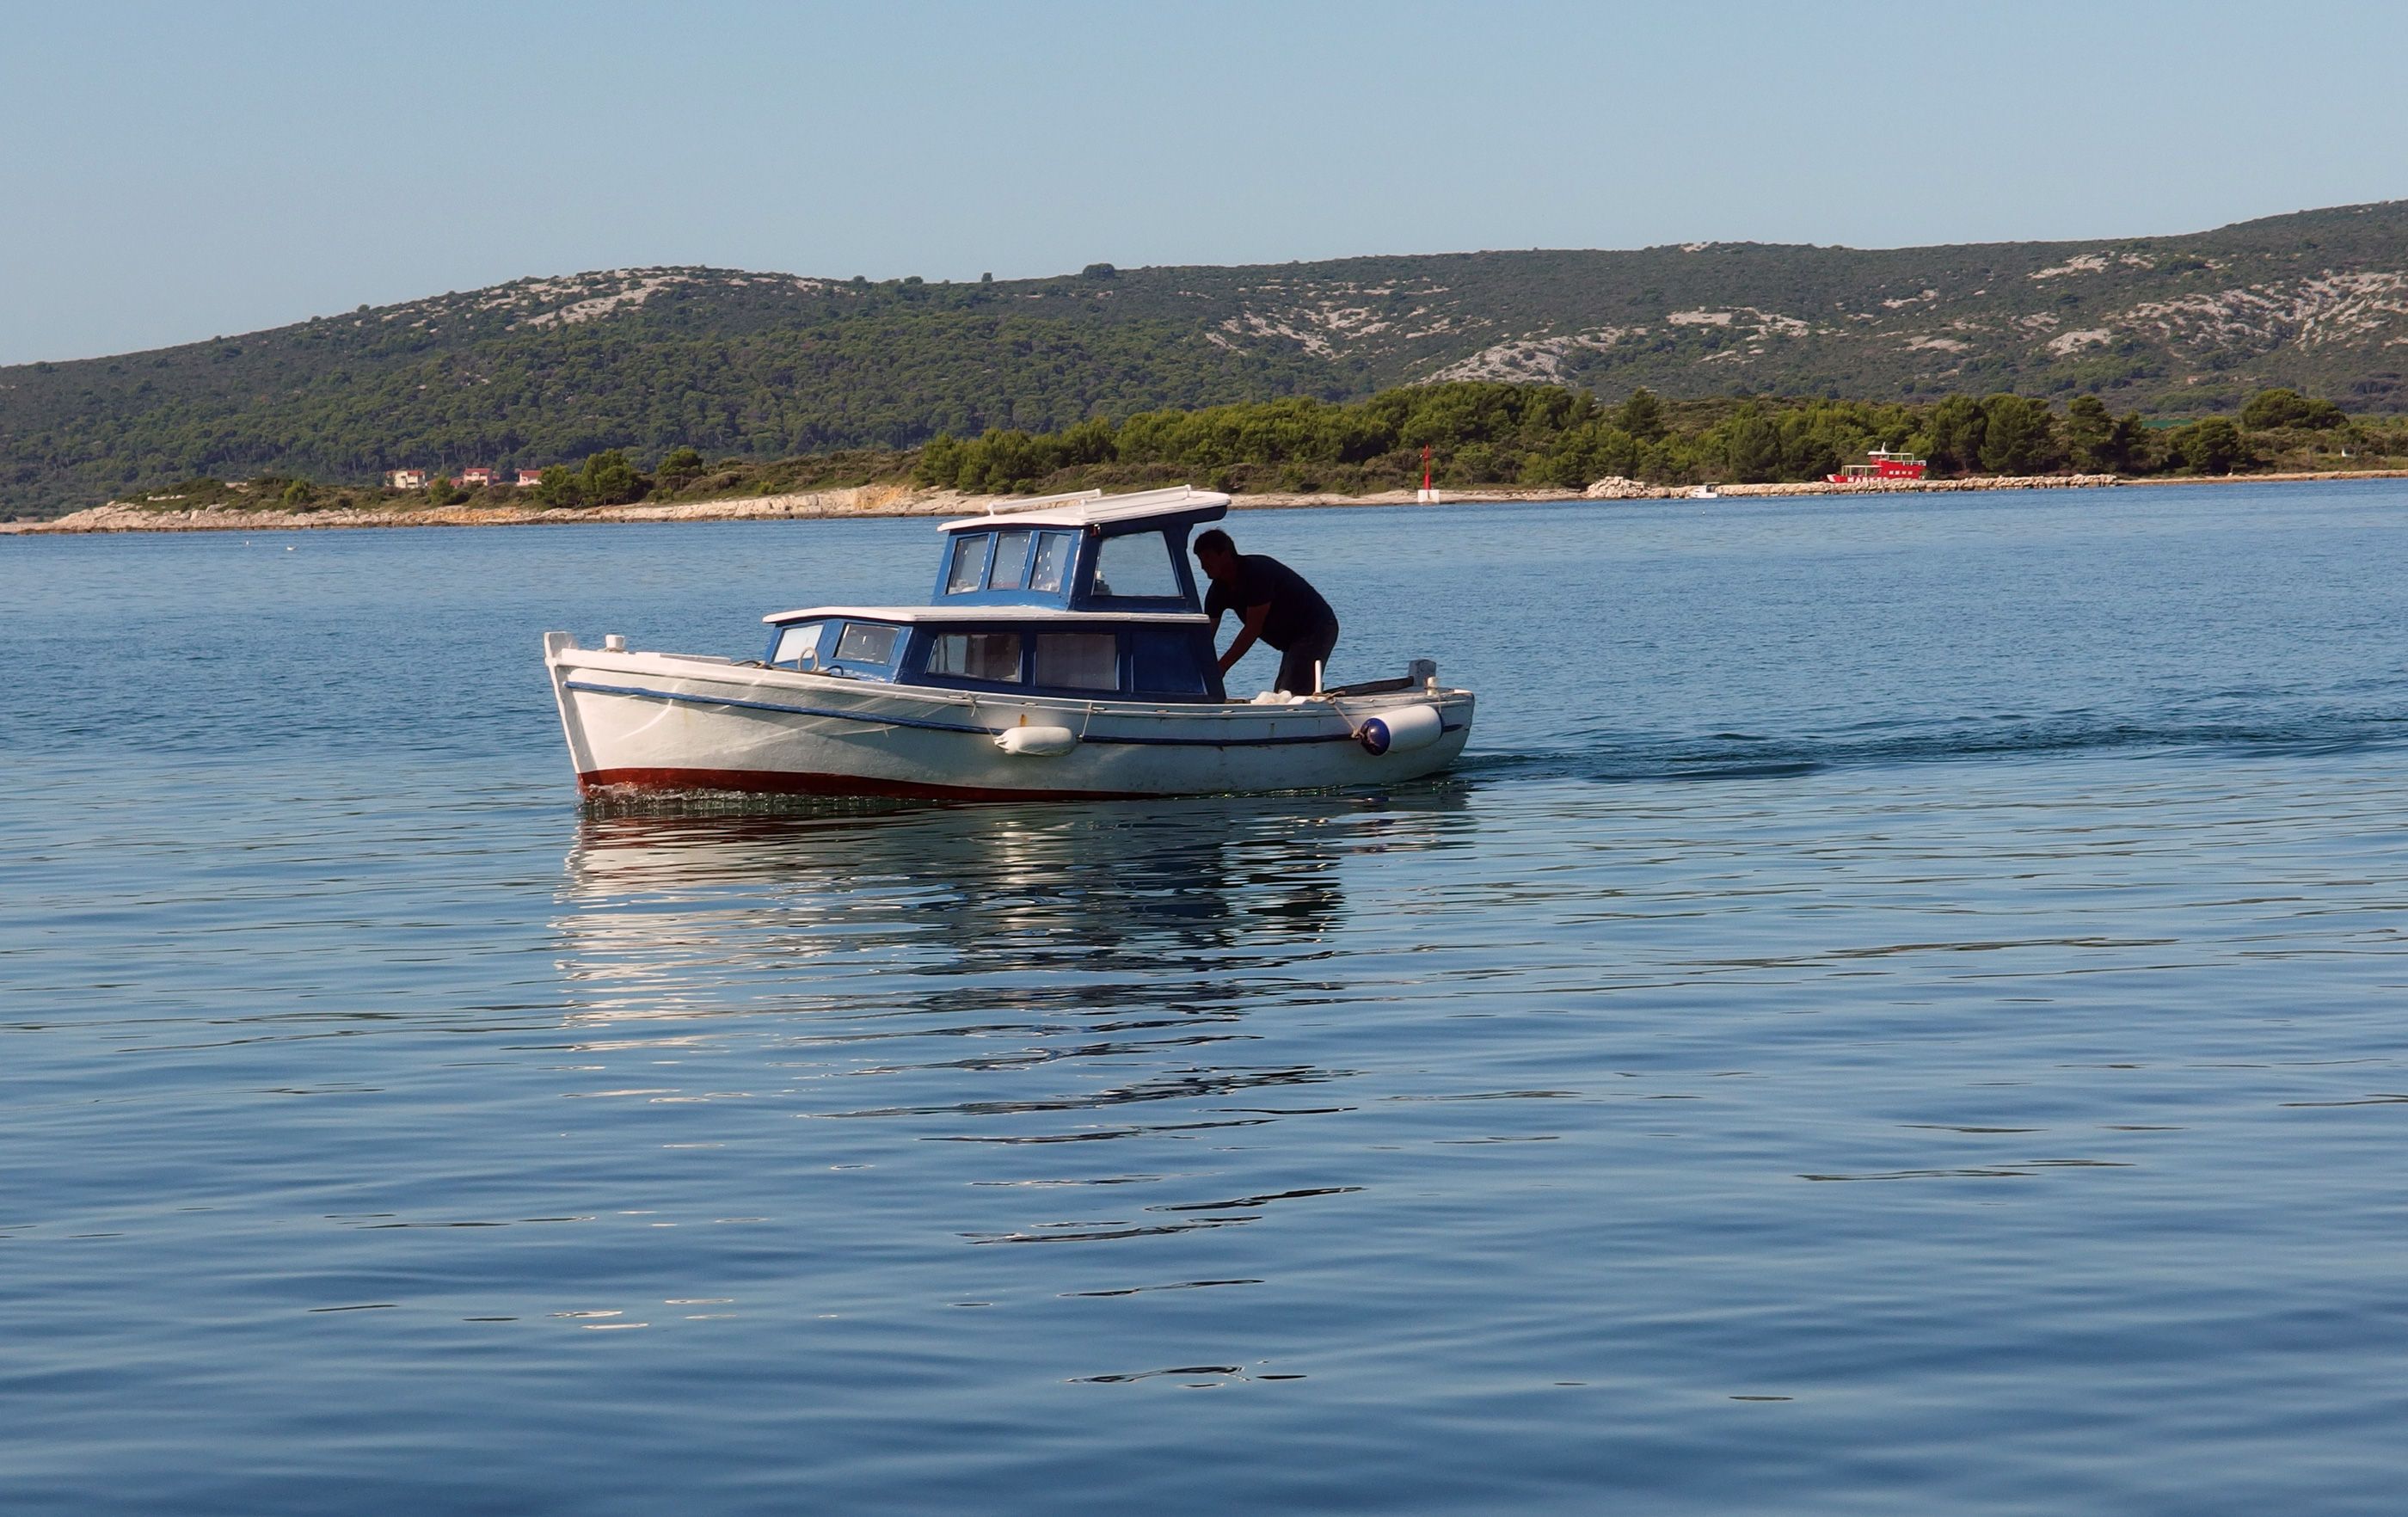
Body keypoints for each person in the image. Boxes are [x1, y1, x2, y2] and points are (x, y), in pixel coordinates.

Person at [1193, 528, 1339, 695]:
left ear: (1225, 555)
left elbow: (1253, 629)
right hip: (1292, 639)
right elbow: (1206, 636)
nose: (1203, 566)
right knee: (1283, 693)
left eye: (1208, 558)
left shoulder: (1256, 574)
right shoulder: (1217, 591)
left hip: (1316, 628)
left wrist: (1222, 667)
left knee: (1292, 694)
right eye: (1200, 559)